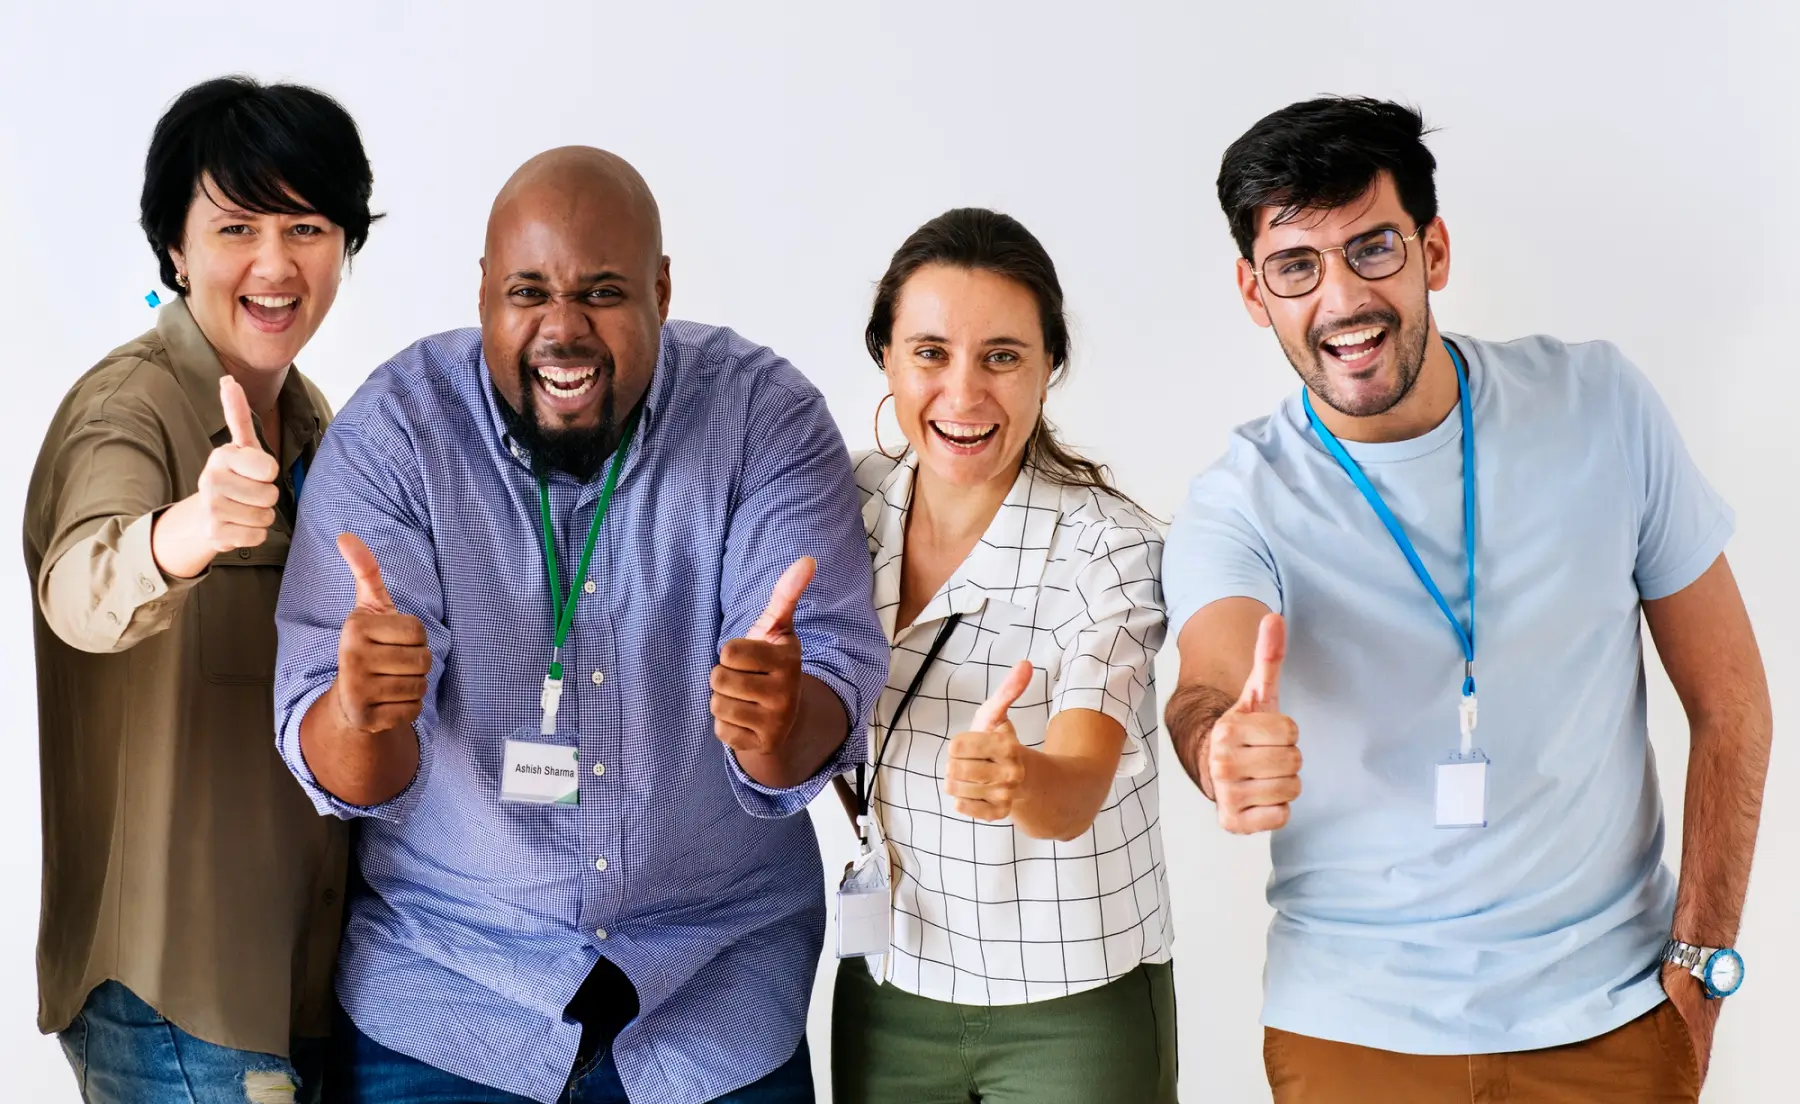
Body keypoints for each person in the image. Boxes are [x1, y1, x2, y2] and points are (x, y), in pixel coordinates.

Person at [1161, 97, 1772, 1103]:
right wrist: (1218, 744)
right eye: (1297, 267)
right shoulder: (1240, 500)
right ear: (1252, 290)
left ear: (1433, 250)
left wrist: (1702, 967)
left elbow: (1732, 702)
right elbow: (1210, 683)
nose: (1342, 299)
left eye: (1373, 249)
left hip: (1615, 1016)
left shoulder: (1601, 407)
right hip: (1354, 1032)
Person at [271, 146, 887, 1104]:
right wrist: (363, 713)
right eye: (529, 292)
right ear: (482, 292)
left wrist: (781, 718)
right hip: (448, 996)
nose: (564, 330)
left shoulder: (764, 417)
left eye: (602, 292)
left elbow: (820, 713)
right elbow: (352, 777)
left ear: (662, 289)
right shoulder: (396, 431)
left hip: (713, 996)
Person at [22, 76, 377, 1104]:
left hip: (299, 983)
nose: (275, 264)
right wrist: (185, 532)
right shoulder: (127, 408)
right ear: (175, 250)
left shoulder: (313, 421)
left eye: (307, 226)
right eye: (235, 227)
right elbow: (80, 588)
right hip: (179, 1004)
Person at [830, 208, 1176, 1104]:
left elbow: (1078, 782)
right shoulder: (845, 502)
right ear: (887, 358)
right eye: (931, 352)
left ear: (1049, 367)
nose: (963, 394)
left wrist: (1023, 778)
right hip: (889, 985)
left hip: (1074, 1004)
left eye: (1003, 356)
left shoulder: (1110, 548)